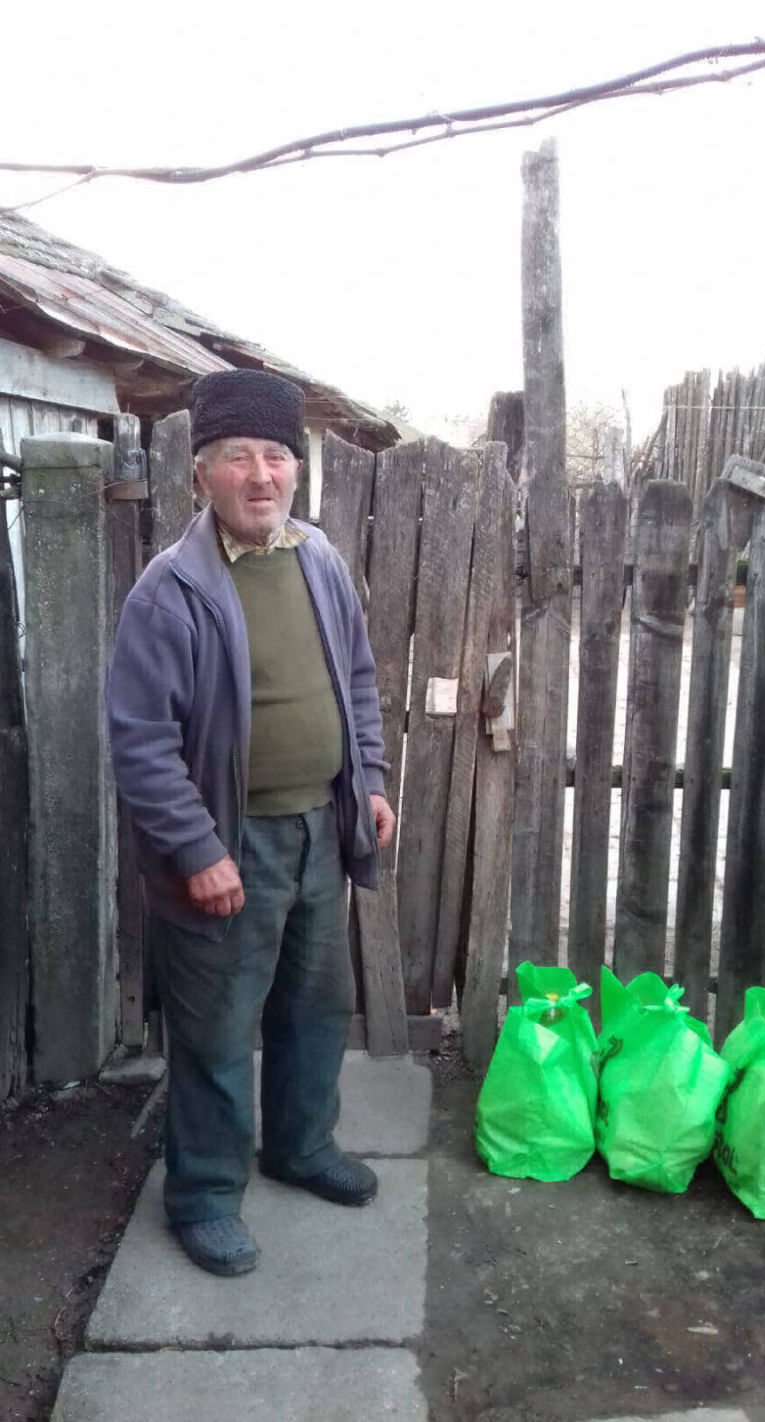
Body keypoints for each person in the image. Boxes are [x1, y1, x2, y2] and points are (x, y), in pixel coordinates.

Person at [108, 369, 395, 1277]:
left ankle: (300, 1148)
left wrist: (369, 780)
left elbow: (355, 681)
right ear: (201, 473)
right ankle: (203, 1194)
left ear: (296, 470)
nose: (261, 475)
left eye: (277, 456)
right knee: (218, 1029)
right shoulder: (171, 590)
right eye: (238, 457)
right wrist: (198, 850)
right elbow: (141, 741)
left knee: (315, 1009)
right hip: (230, 845)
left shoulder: (318, 559)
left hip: (321, 830)